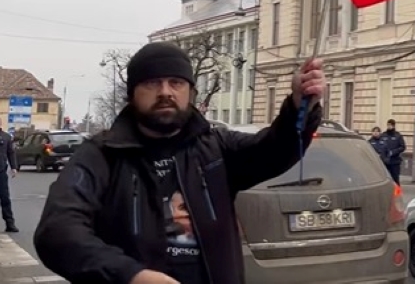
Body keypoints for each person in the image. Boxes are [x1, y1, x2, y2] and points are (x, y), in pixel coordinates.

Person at [34, 42, 326, 284]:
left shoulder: (215, 148)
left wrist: (300, 105)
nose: (165, 92)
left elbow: (274, 149)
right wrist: (131, 276)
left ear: (190, 92)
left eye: (176, 82)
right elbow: (57, 232)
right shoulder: (102, 155)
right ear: (132, 94)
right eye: (152, 83)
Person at [379, 119, 406, 184]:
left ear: (393, 126)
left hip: (395, 161)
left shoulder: (398, 135)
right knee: (386, 180)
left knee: (395, 179)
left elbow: (403, 147)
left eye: (390, 125)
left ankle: (398, 193)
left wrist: (393, 152)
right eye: (388, 125)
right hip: (385, 161)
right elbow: (380, 145)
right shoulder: (383, 135)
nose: (389, 126)